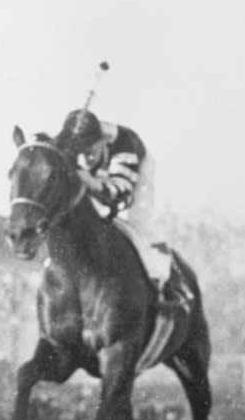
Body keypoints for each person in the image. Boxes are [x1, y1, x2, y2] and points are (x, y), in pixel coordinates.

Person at [55, 108, 179, 307]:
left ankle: (164, 278)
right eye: (80, 153)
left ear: (102, 141)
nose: (86, 158)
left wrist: (89, 181)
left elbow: (121, 197)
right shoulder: (67, 143)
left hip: (132, 175)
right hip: (100, 173)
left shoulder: (126, 148)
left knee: (135, 221)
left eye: (90, 151)